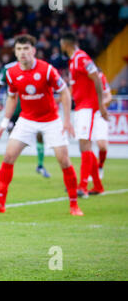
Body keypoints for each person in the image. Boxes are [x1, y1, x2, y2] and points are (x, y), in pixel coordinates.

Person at [0, 34, 84, 216]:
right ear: (15, 52)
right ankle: (0, 202)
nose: (22, 53)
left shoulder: (47, 70)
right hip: (26, 120)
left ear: (33, 51)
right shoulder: (11, 72)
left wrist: (67, 121)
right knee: (8, 156)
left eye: (26, 49)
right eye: (19, 49)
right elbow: (12, 97)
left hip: (51, 120)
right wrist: (5, 121)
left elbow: (65, 93)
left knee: (63, 160)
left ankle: (74, 204)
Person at [60, 32, 108, 198]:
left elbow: (96, 77)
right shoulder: (73, 60)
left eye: (61, 43)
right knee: (84, 146)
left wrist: (101, 104)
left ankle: (82, 186)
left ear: (66, 44)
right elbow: (75, 86)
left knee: (84, 145)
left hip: (88, 107)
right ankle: (98, 186)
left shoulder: (81, 57)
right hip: (81, 107)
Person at [0, 60, 51, 178]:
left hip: (31, 111)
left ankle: (40, 165)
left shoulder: (36, 67)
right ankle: (10, 165)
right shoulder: (8, 68)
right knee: (13, 138)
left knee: (40, 136)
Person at [89, 71, 112, 181]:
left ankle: (100, 166)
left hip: (100, 114)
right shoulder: (82, 77)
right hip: (87, 113)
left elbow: (109, 96)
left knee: (102, 145)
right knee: (87, 145)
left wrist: (101, 104)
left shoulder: (100, 76)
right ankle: (90, 170)